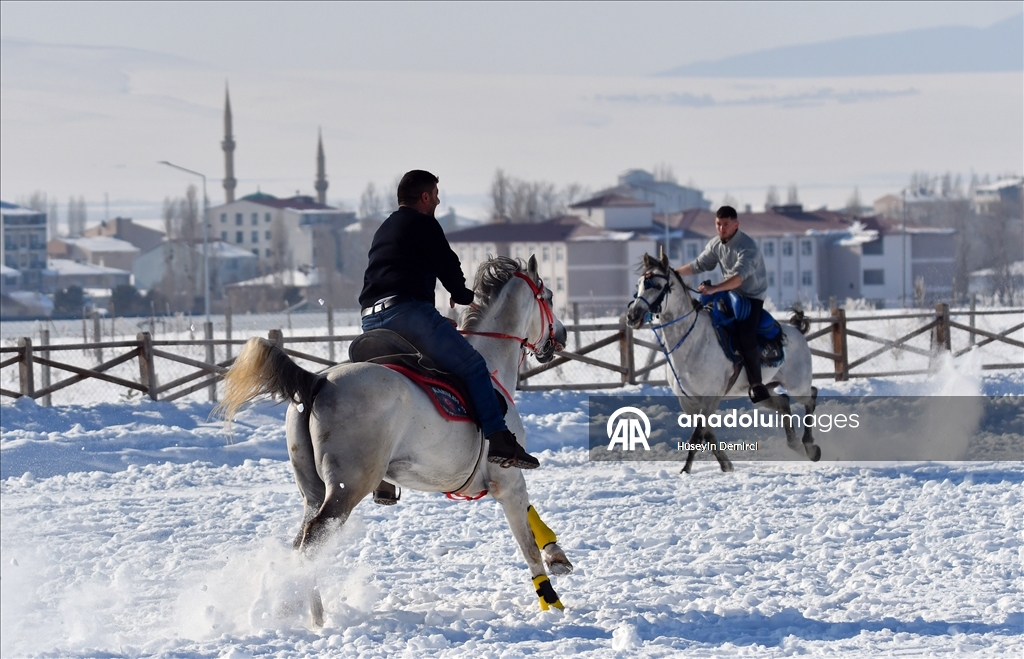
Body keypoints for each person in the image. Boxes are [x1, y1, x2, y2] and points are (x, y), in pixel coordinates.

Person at [359, 170, 540, 487]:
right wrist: (463, 295)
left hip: (371, 318)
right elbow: (447, 263)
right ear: (425, 197)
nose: (439, 200)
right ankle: (498, 438)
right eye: (436, 194)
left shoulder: (385, 228)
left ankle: (383, 470)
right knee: (472, 365)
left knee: (403, 379)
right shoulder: (423, 223)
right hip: (407, 313)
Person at [674, 205, 771, 403]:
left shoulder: (748, 247)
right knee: (705, 318)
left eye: (726, 224)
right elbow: (698, 265)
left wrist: (714, 288)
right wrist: (672, 273)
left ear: (736, 225)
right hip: (728, 292)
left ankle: (756, 384)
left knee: (746, 333)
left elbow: (738, 278)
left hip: (750, 297)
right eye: (718, 224)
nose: (721, 228)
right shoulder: (715, 244)